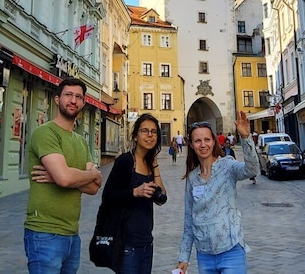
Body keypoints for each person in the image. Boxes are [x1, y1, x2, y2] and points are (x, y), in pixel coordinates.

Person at [24, 77, 103, 273]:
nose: (73, 100)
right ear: (57, 99)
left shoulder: (81, 141)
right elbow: (67, 178)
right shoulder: (45, 133)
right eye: (68, 95)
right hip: (44, 232)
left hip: (72, 234)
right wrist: (86, 174)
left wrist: (63, 178)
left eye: (78, 97)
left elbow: (94, 188)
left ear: (83, 103)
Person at [176, 112, 259, 274]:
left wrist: (246, 138)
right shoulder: (192, 178)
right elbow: (188, 220)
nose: (203, 144)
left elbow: (252, 169)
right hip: (205, 254)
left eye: (207, 139)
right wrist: (183, 258)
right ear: (191, 145)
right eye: (197, 141)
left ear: (214, 142)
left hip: (231, 250)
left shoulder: (227, 166)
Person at [101, 114, 167, 274]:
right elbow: (108, 196)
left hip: (146, 241)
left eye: (153, 132)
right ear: (136, 136)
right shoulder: (125, 161)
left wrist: (155, 167)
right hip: (126, 243)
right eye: (144, 131)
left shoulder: (149, 163)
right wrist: (135, 192)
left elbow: (162, 198)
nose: (150, 135)